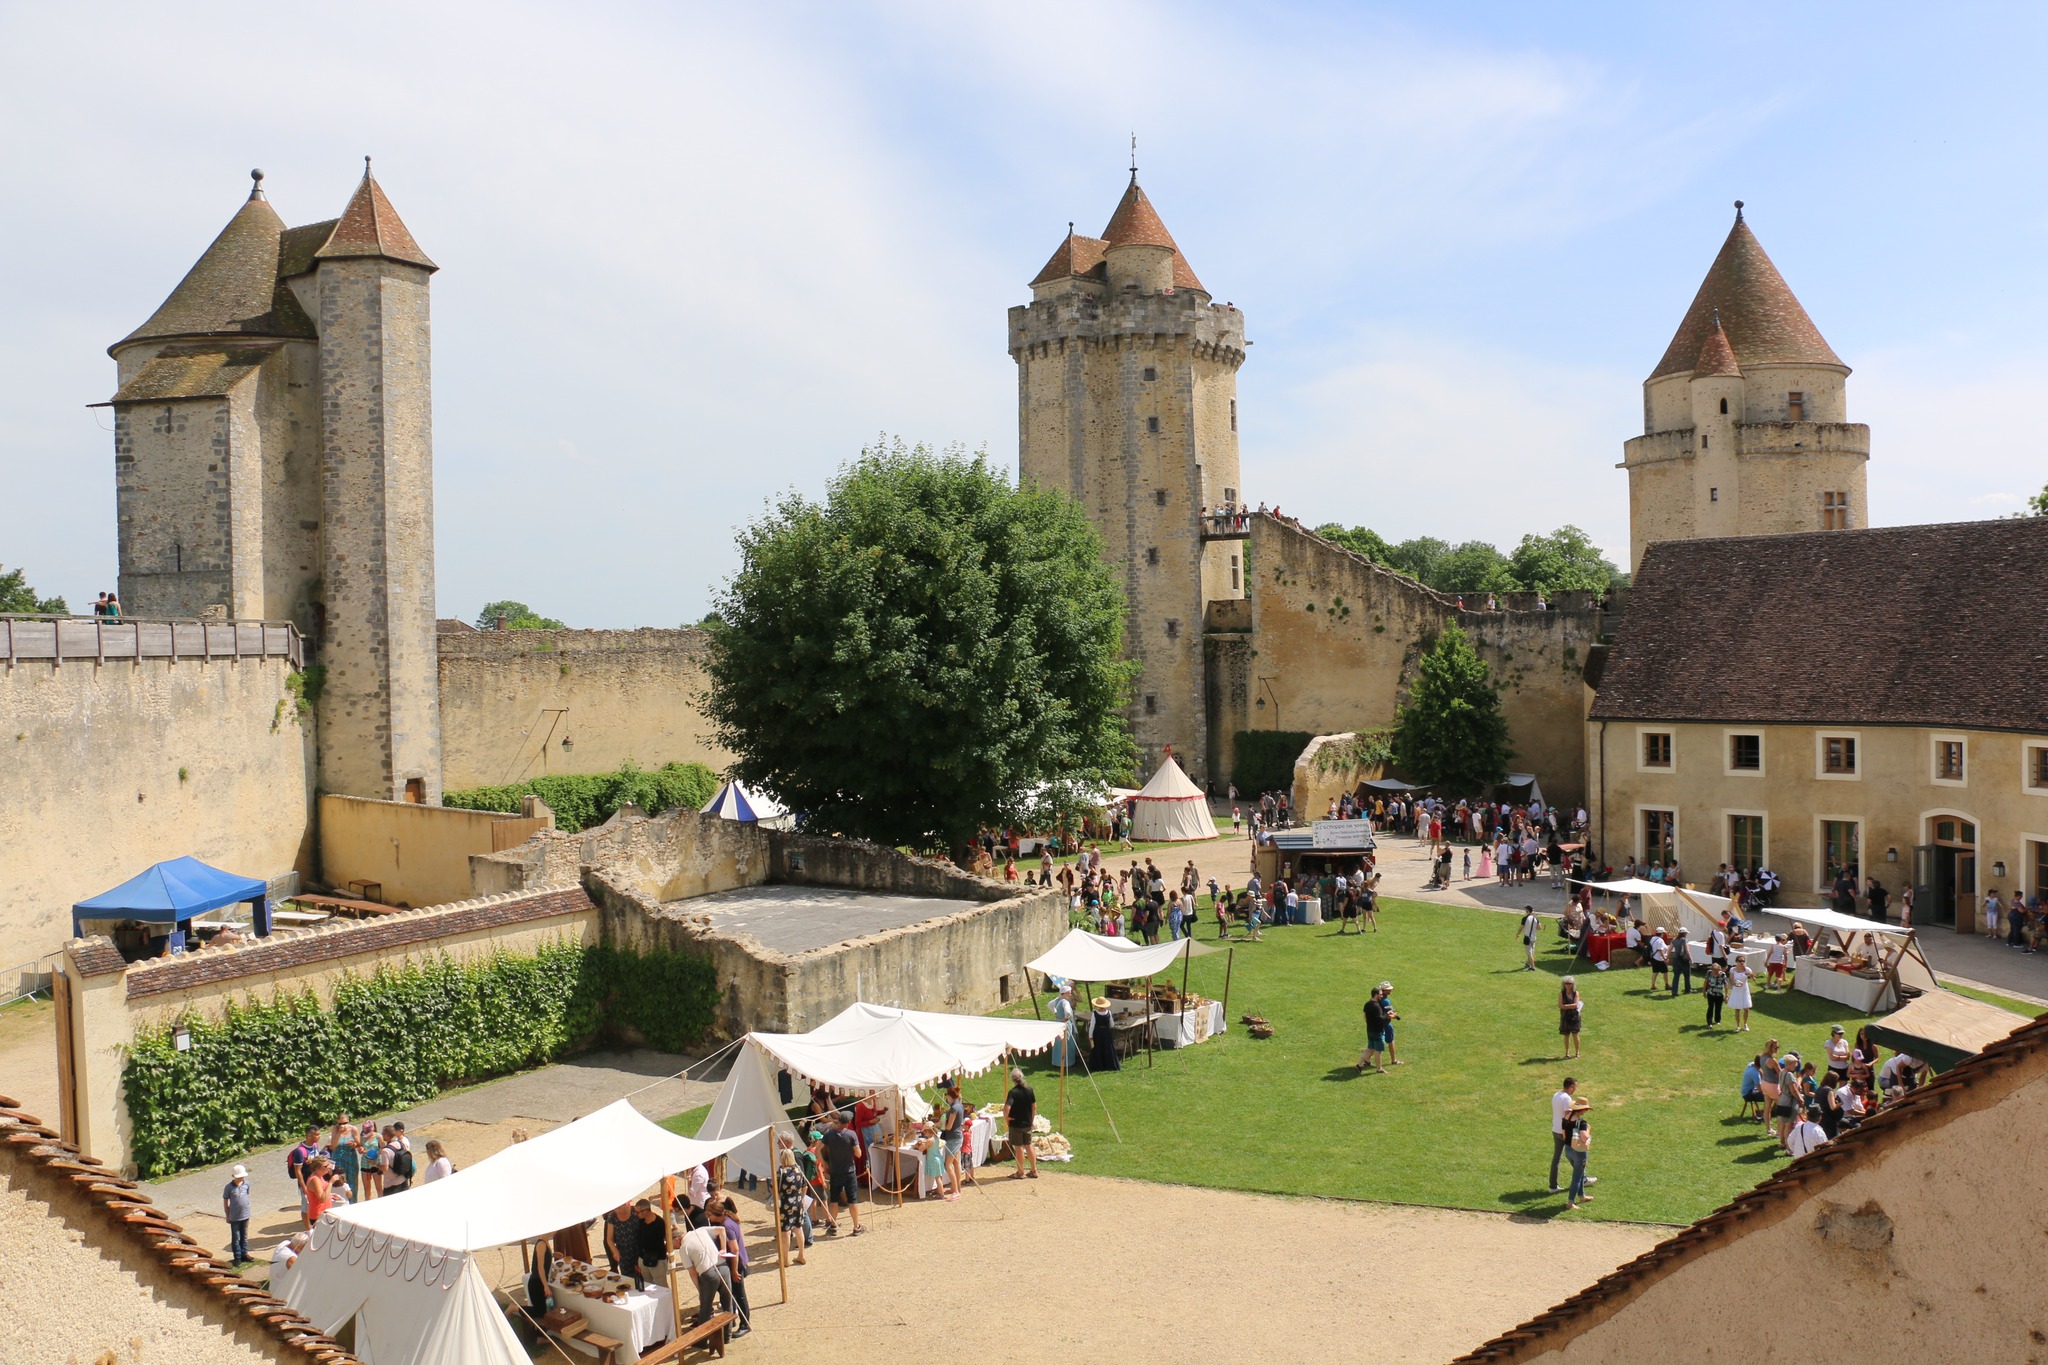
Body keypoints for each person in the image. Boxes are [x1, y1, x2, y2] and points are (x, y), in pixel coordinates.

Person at [680, 1216, 743, 1336]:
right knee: (727, 1303)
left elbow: (692, 1273)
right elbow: (721, 1230)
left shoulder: (684, 1247)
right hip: (723, 1268)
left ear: (677, 1239)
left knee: (705, 1308)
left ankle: (703, 1339)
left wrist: (700, 1289)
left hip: (708, 1274)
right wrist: (723, 1249)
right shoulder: (701, 1230)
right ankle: (727, 1335)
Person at [820, 1114, 866, 1234]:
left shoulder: (829, 1134)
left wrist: (824, 1163)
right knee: (852, 1200)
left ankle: (833, 1225)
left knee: (834, 1200)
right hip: (849, 1171)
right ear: (848, 1123)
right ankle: (856, 1227)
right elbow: (858, 1154)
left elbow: (818, 1149)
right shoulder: (851, 1134)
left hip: (835, 1171)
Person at [715, 1196, 753, 1333]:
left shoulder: (726, 1225)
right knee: (735, 1294)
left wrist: (734, 1270)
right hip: (738, 1262)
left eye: (709, 1214)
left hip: (736, 1264)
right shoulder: (730, 1221)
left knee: (739, 1295)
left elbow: (735, 1249)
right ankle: (738, 1320)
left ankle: (745, 1324)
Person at [1548, 1078, 1591, 1193]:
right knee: (1576, 1155)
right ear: (1571, 1087)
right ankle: (1584, 1178)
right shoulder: (1566, 1098)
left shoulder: (1556, 1095)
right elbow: (1568, 1116)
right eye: (1575, 1086)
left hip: (1555, 1129)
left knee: (1556, 1159)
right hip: (1564, 1132)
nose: (1575, 1089)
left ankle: (1552, 1186)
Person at [774, 1146, 809, 1265]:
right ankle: (801, 1255)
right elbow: (805, 1186)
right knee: (798, 1229)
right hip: (798, 1203)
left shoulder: (781, 1173)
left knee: (786, 1231)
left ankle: (785, 1259)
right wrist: (802, 1197)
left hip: (785, 1204)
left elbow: (774, 1188)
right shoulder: (799, 1170)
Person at [1004, 1067, 1039, 1180]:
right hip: (1027, 1123)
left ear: (1013, 1080)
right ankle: (1034, 1170)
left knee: (1019, 1148)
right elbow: (1034, 1106)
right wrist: (1031, 1119)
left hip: (1016, 1124)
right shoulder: (1030, 1090)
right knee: (1029, 1146)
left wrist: (1007, 1119)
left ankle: (1020, 1172)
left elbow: (1006, 1108)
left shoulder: (1013, 1092)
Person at [1561, 1096, 1594, 1210]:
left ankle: (1582, 1196)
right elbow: (1584, 1138)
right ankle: (1570, 1203)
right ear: (1582, 1110)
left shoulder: (1566, 1117)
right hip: (1579, 1152)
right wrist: (1589, 1129)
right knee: (1576, 1177)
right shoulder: (1582, 1123)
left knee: (1580, 1174)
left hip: (1568, 1149)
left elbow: (1563, 1133)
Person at [631, 1198, 669, 1289]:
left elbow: (667, 1240)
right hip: (643, 1258)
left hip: (658, 1259)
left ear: (646, 1211)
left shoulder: (659, 1223)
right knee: (646, 1286)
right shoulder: (640, 1221)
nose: (636, 1214)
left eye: (637, 1212)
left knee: (661, 1286)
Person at [222, 1164, 254, 1265]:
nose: (241, 1178)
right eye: (239, 1177)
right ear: (233, 1177)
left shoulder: (246, 1184)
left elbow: (246, 1196)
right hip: (234, 1217)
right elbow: (225, 1201)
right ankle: (237, 1257)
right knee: (236, 1237)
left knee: (244, 1235)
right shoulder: (228, 1188)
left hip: (245, 1214)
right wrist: (227, 1215)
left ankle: (244, 1253)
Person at [1360, 985, 1391, 1074]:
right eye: (1380, 994)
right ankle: (1379, 1068)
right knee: (1378, 1050)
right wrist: (1387, 1015)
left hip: (1369, 1030)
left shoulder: (1367, 1004)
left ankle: (1359, 1064)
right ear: (1376, 994)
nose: (1382, 996)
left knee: (1370, 1048)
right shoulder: (1376, 1006)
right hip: (1377, 1031)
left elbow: (1365, 1015)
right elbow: (1380, 1018)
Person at [603, 1202, 637, 1275]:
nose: (617, 1211)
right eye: (615, 1208)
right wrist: (615, 1251)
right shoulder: (612, 1216)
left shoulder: (635, 1212)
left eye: (619, 1208)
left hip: (638, 1252)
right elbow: (609, 1239)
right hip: (623, 1254)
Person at [302, 1155, 334, 1229]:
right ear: (317, 1168)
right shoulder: (315, 1179)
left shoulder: (320, 1176)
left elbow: (321, 1193)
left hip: (324, 1213)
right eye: (325, 1166)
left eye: (328, 1165)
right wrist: (331, 1182)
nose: (328, 1168)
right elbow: (322, 1198)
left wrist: (331, 1195)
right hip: (318, 1215)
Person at [1379, 981, 1404, 1065]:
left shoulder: (1377, 999)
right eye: (1388, 989)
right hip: (1386, 1023)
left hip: (1377, 1024)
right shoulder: (1385, 1001)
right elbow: (1389, 1015)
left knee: (1376, 1043)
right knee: (1390, 1041)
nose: (1390, 991)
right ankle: (1394, 1060)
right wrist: (1395, 1015)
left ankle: (1366, 1059)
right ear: (1384, 991)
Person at [1558, 976, 1583, 1058]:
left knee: (1575, 1035)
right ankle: (1567, 1053)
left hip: (1574, 1017)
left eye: (1570, 984)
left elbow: (1576, 1005)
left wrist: (1566, 1006)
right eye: (1566, 983)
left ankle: (1577, 1053)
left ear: (1573, 984)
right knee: (1566, 1035)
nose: (1568, 985)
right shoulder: (1561, 993)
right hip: (1565, 1017)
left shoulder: (1576, 993)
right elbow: (1560, 1006)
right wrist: (1570, 1006)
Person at [1728, 958, 1755, 1031]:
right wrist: (1734, 984)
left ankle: (1745, 1024)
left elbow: (1753, 978)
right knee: (1737, 1008)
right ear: (1736, 962)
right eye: (1740, 961)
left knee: (1746, 1008)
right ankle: (1738, 1026)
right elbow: (1731, 979)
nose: (1742, 962)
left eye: (1743, 961)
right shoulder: (1733, 970)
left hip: (1744, 989)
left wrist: (1751, 975)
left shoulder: (1747, 969)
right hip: (1737, 989)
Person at [1702, 959, 1728, 1028]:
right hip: (1711, 993)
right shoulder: (1709, 973)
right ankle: (1709, 1022)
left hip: (1719, 994)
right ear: (1712, 970)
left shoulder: (1723, 975)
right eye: (1715, 971)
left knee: (1718, 1008)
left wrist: (1726, 995)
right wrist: (1704, 991)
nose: (1716, 972)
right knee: (1710, 1007)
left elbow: (1726, 985)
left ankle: (1717, 1020)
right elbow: (1706, 982)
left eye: (1718, 970)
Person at [1669, 929, 1694, 995]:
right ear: (1685, 933)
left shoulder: (1674, 940)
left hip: (1675, 959)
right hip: (1684, 960)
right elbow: (1687, 950)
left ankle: (1674, 992)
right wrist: (1691, 959)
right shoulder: (1684, 940)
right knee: (1687, 976)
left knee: (1676, 976)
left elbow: (1670, 949)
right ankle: (1687, 990)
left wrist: (1666, 957)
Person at [1647, 927, 1670, 991]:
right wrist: (1665, 958)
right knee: (1665, 972)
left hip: (1654, 958)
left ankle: (1653, 985)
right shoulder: (1660, 940)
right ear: (1662, 933)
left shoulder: (1653, 938)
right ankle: (1667, 985)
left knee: (1655, 972)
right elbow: (1660, 950)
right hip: (1660, 959)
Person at [1520, 905, 1541, 971]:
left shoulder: (1525, 918)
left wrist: (1518, 934)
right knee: (1532, 951)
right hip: (1533, 937)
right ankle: (1528, 963)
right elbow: (1539, 928)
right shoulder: (1536, 918)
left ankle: (1532, 966)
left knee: (1529, 953)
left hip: (1527, 938)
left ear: (1527, 911)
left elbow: (1521, 927)